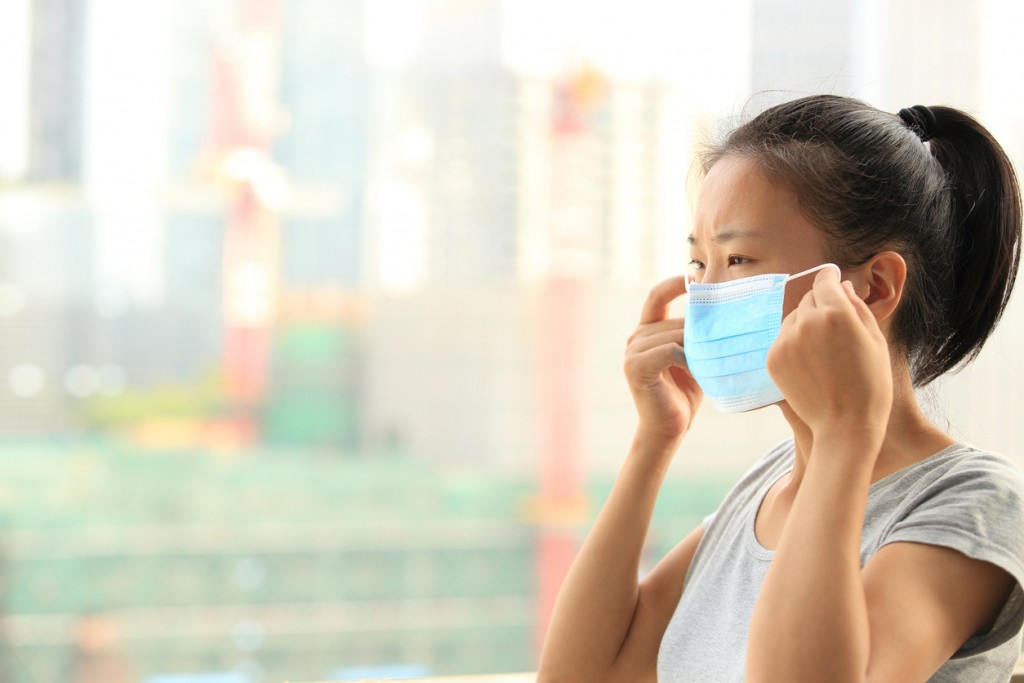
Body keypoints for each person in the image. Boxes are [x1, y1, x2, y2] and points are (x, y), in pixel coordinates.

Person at [536, 94, 1024, 682]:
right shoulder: (767, 486)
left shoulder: (977, 503)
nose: (706, 298)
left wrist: (847, 433)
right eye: (698, 264)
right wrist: (654, 441)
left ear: (872, 289)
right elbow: (583, 676)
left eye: (738, 259)